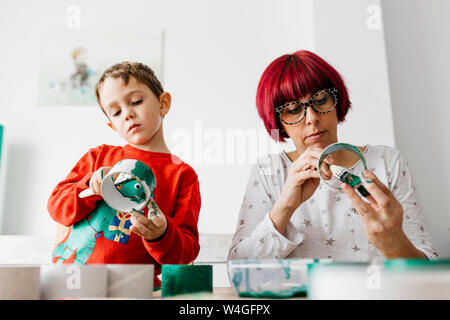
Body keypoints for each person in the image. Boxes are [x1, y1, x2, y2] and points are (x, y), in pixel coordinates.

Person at [228, 50, 438, 263]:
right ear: (278, 122)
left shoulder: (387, 162)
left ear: (337, 101)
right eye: (293, 109)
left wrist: (393, 242)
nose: (312, 118)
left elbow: (427, 270)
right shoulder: (268, 171)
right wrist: (285, 207)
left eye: (320, 100)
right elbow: (238, 267)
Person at [48, 62, 201, 287]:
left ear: (163, 103)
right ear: (113, 126)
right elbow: (56, 206)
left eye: (136, 102)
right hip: (74, 282)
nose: (128, 114)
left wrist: (161, 234)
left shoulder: (183, 176)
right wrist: (88, 184)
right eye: (117, 112)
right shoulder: (97, 157)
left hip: (135, 287)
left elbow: (185, 253)